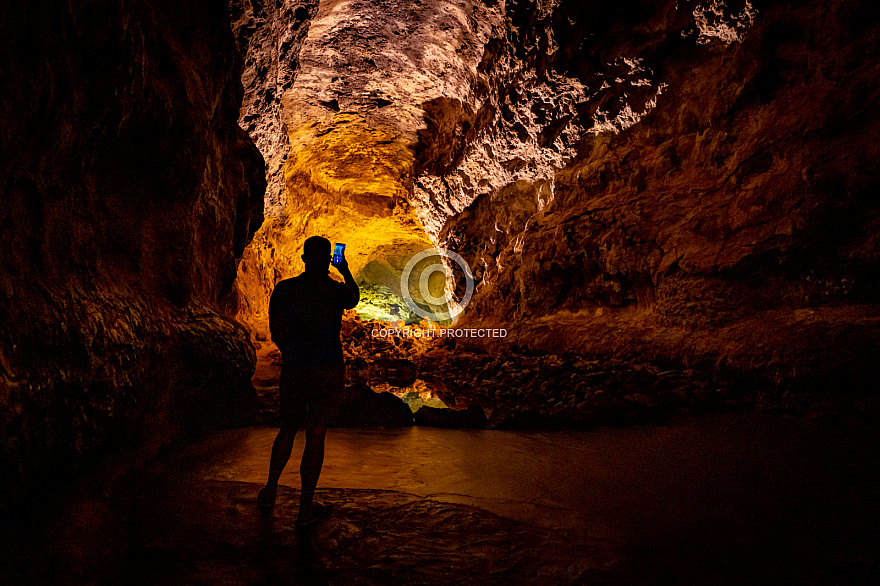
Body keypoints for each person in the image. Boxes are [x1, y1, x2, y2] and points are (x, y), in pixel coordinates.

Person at [258, 235, 360, 526]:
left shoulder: (285, 289)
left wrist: (293, 354)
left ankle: (270, 491)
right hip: (327, 369)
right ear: (329, 260)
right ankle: (305, 508)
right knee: (316, 434)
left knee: (288, 428)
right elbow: (354, 297)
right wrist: (345, 270)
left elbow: (276, 329)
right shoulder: (333, 290)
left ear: (303, 258)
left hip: (296, 368)